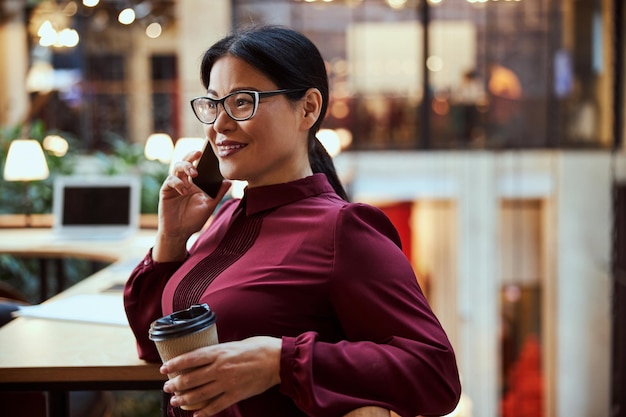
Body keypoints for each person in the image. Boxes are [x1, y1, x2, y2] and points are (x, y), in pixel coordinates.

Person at [124, 25, 461, 417]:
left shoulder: (343, 228)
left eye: (243, 101)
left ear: (308, 108)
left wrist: (280, 363)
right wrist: (173, 237)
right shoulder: (226, 218)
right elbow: (155, 348)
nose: (219, 124)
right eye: (214, 104)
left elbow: (435, 374)